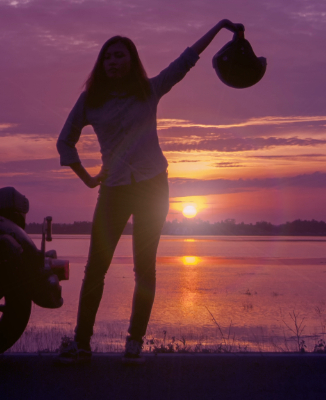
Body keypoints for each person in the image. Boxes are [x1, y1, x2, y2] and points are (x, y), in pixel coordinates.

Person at [55, 20, 245, 365]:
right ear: (102, 63)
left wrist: (218, 29)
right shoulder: (90, 101)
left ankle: (134, 341)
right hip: (112, 190)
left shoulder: (150, 90)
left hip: (153, 187)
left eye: (120, 56)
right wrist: (87, 177)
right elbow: (64, 140)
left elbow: (185, 61)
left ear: (131, 60)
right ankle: (82, 343)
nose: (113, 61)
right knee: (96, 268)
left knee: (145, 268)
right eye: (108, 56)